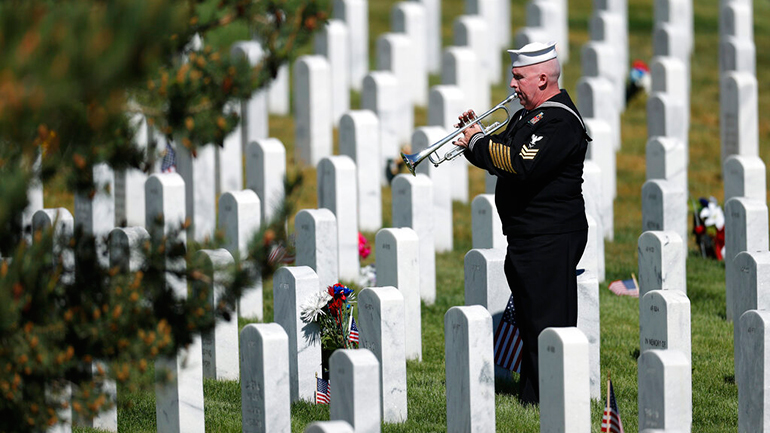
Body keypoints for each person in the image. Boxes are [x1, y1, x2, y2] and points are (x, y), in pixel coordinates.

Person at [454, 41, 590, 405]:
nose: (512, 84)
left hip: (551, 235)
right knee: (531, 321)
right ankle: (533, 398)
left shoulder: (559, 120)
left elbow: (518, 163)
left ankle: (554, 401)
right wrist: (477, 135)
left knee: (548, 323)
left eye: (519, 77)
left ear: (542, 78)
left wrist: (477, 143)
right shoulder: (530, 115)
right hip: (528, 236)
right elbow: (497, 153)